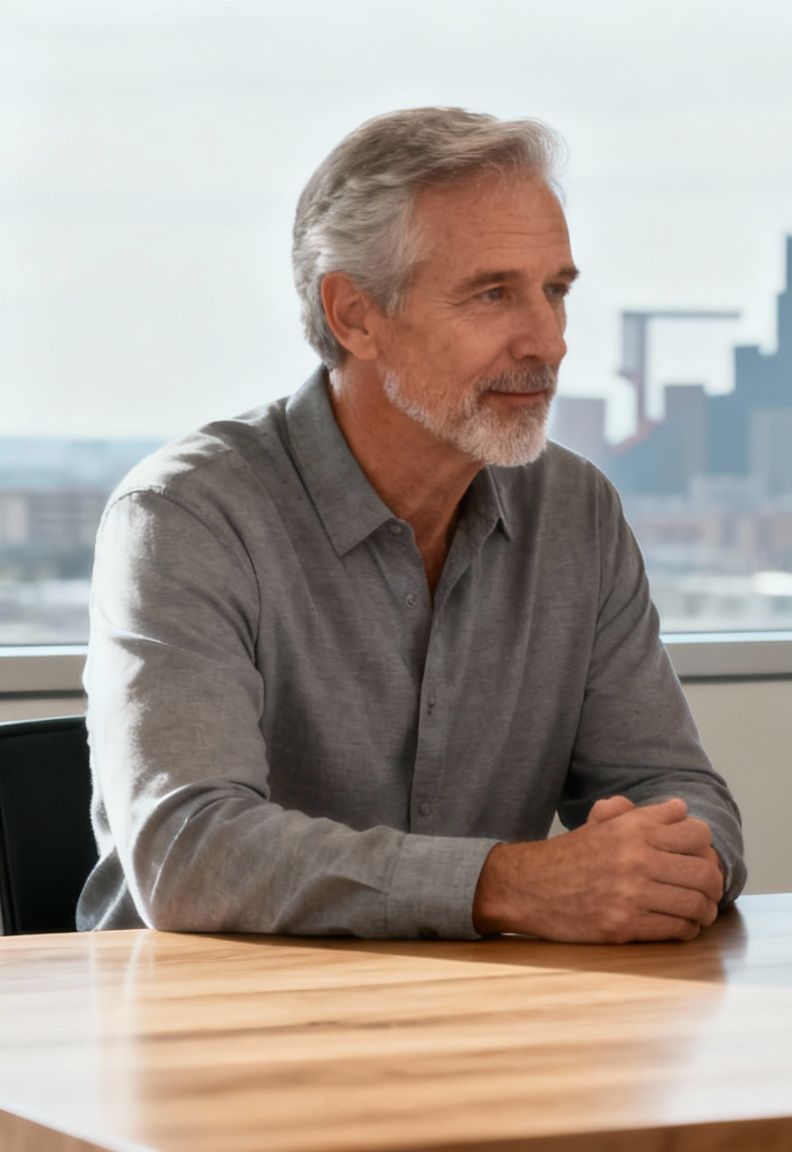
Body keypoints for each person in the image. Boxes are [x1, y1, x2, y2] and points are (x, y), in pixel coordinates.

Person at [78, 107, 745, 942]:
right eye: (493, 293)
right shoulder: (186, 517)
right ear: (356, 315)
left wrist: (672, 862)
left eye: (556, 290)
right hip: (209, 1033)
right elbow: (189, 853)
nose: (549, 340)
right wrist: (505, 883)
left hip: (481, 1025)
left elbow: (680, 791)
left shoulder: (576, 512)